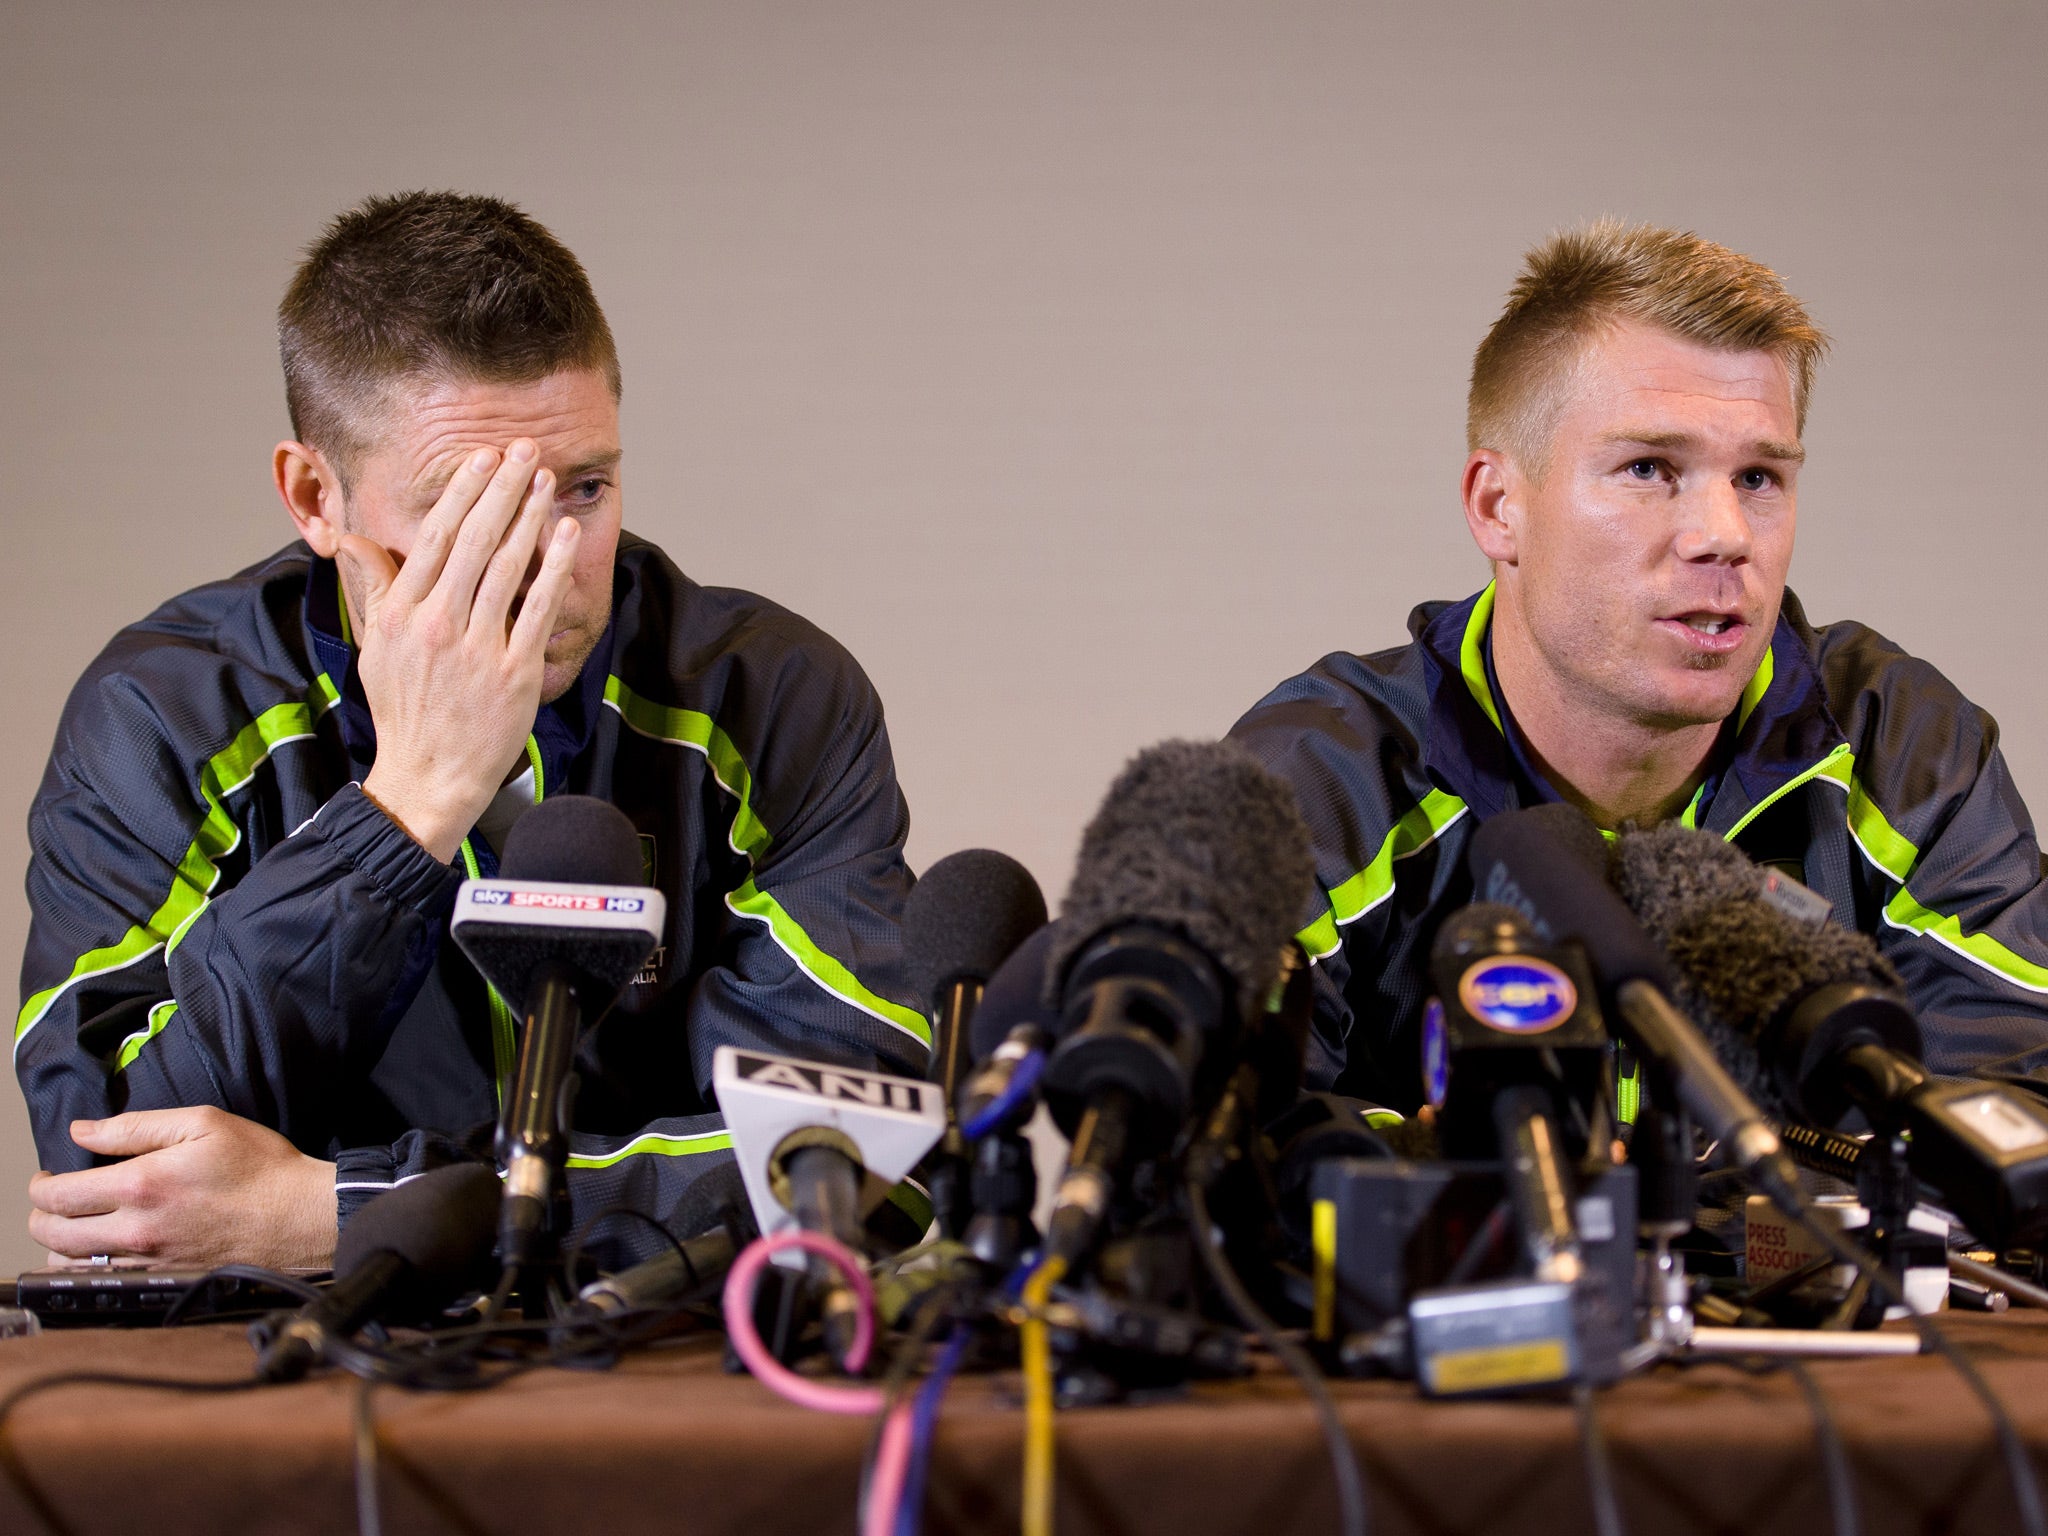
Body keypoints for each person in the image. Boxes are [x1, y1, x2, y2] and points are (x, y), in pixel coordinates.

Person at [17, 192, 929, 1268]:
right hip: (289, 1388)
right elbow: (111, 1189)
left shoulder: (773, 698)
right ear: (315, 496)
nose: (547, 562)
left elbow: (854, 1170)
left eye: (584, 489)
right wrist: (405, 809)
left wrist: (340, 1210)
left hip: (668, 1380)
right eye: (472, 508)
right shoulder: (163, 713)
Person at [1228, 220, 2048, 1112]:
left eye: (1759, 479)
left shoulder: (1907, 753)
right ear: (1499, 506)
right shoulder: (1323, 778)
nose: (1725, 536)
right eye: (1650, 467)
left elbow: (2008, 1124)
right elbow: (1216, 1156)